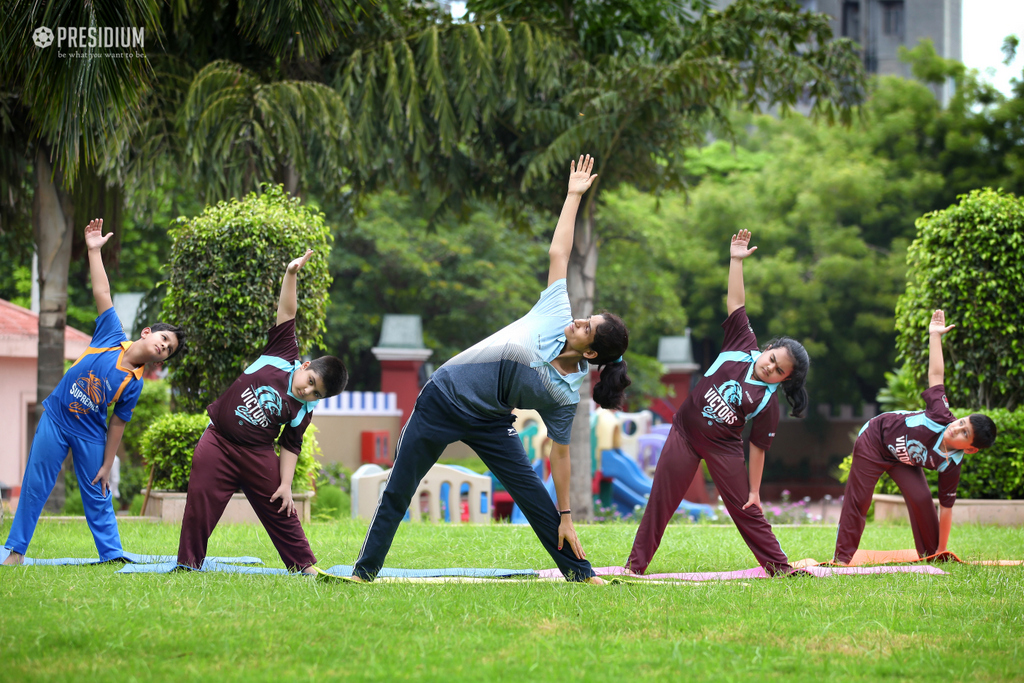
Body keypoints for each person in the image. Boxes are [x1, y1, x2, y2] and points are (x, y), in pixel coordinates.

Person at [347, 155, 631, 584]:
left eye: (587, 328)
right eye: (585, 317)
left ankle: (581, 575)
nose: (579, 321)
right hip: (442, 398)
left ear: (591, 355)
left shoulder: (565, 395)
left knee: (536, 499)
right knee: (399, 490)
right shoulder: (556, 312)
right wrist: (572, 196)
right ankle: (363, 573)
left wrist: (567, 515)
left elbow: (560, 452)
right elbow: (560, 251)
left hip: (491, 422)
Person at [625, 229, 809, 576]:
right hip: (684, 432)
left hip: (723, 448)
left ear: (784, 379)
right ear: (767, 348)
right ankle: (635, 567)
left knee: (745, 508)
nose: (771, 367)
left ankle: (779, 567)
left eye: (779, 371)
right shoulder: (742, 342)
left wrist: (754, 490)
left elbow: (757, 448)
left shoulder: (768, 402)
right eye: (772, 358)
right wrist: (735, 260)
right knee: (661, 501)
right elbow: (736, 303)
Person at [3, 218, 185, 565]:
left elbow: (118, 423)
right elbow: (102, 292)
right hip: (57, 417)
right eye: (164, 339)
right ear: (147, 333)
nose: (164, 347)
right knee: (36, 483)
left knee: (98, 491)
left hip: (90, 433)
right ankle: (15, 553)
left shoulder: (134, 383)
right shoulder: (111, 334)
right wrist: (93, 250)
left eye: (170, 349)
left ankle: (112, 554)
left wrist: (106, 464)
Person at [176, 249, 347, 573]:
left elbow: (291, 444)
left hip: (257, 455)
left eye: (316, 392)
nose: (308, 390)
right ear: (306, 366)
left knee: (281, 506)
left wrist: (285, 484)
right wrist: (291, 273)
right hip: (218, 442)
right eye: (310, 381)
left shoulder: (303, 408)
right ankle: (188, 564)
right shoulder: (282, 353)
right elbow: (287, 310)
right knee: (199, 504)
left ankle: (304, 566)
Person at [833, 310, 997, 564]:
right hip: (874, 440)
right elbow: (936, 375)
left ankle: (932, 555)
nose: (956, 428)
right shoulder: (941, 415)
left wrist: (943, 549)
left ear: (971, 448)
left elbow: (946, 508)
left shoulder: (951, 464)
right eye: (962, 422)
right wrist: (934, 336)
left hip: (902, 460)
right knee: (860, 499)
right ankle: (842, 558)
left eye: (965, 433)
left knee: (922, 499)